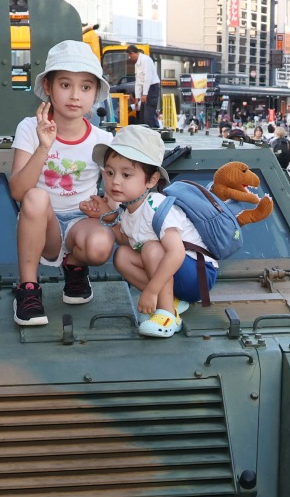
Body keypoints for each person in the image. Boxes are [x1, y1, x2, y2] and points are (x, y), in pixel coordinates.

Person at [8, 41, 113, 326]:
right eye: (65, 85)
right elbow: (18, 191)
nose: (75, 96)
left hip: (82, 221)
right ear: (49, 87)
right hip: (43, 225)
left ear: (95, 93)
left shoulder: (104, 141)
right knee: (36, 197)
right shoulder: (29, 128)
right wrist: (45, 145)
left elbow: (115, 198)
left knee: (100, 246)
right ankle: (28, 288)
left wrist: (104, 209)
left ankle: (75, 267)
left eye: (86, 87)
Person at [83, 126, 203, 339]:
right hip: (176, 274)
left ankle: (167, 314)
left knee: (151, 248)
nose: (115, 181)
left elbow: (176, 253)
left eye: (126, 175)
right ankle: (168, 301)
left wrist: (150, 291)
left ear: (151, 180)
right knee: (122, 255)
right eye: (109, 173)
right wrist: (107, 216)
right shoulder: (129, 209)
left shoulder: (157, 206)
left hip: (196, 275)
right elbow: (127, 241)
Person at [125, 46, 161, 128]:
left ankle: (151, 131)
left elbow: (148, 78)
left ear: (132, 53)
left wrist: (145, 94)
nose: (130, 58)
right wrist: (137, 98)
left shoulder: (146, 60)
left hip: (151, 88)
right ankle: (153, 129)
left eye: (129, 56)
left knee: (148, 115)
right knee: (143, 115)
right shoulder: (137, 64)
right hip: (146, 89)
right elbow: (138, 82)